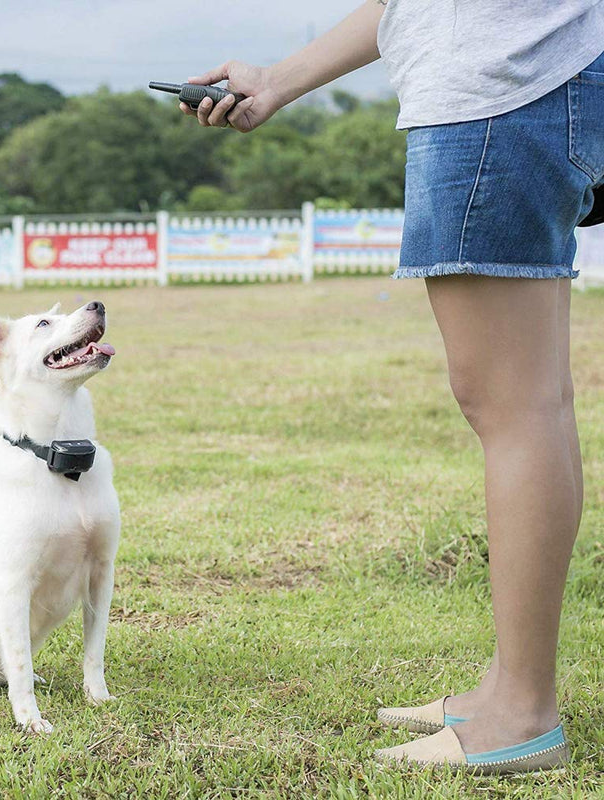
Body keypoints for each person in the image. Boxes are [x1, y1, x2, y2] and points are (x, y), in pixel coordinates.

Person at [178, 0, 604, 775]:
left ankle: (523, 714)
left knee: (514, 406)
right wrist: (275, 81)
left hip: (503, 83)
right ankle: (509, 688)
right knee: (527, 401)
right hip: (514, 76)